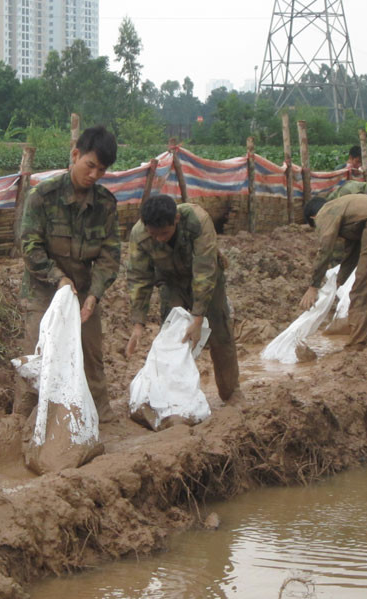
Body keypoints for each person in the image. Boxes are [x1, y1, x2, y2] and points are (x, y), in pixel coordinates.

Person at [17, 125, 121, 422]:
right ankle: (24, 417)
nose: (94, 175)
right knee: (38, 354)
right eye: (90, 165)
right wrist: (58, 279)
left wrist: (94, 295)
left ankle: (98, 412)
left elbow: (110, 255)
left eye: (101, 170)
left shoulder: (105, 204)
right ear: (75, 154)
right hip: (43, 288)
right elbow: (30, 246)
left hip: (84, 291)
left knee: (90, 354)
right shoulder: (42, 197)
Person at [125, 194, 243, 404]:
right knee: (173, 338)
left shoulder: (197, 220)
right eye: (154, 234)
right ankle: (174, 399)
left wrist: (198, 318)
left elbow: (205, 271)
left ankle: (231, 392)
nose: (159, 238)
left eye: (165, 233)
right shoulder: (139, 234)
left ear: (176, 220)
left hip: (207, 278)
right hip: (170, 282)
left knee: (220, 333)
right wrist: (138, 323)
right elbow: (139, 278)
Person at [300, 193, 367, 346]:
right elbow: (352, 254)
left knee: (361, 291)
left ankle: (359, 343)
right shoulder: (347, 211)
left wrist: (313, 286)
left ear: (313, 218)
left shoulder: (325, 212)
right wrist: (338, 282)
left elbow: (325, 249)